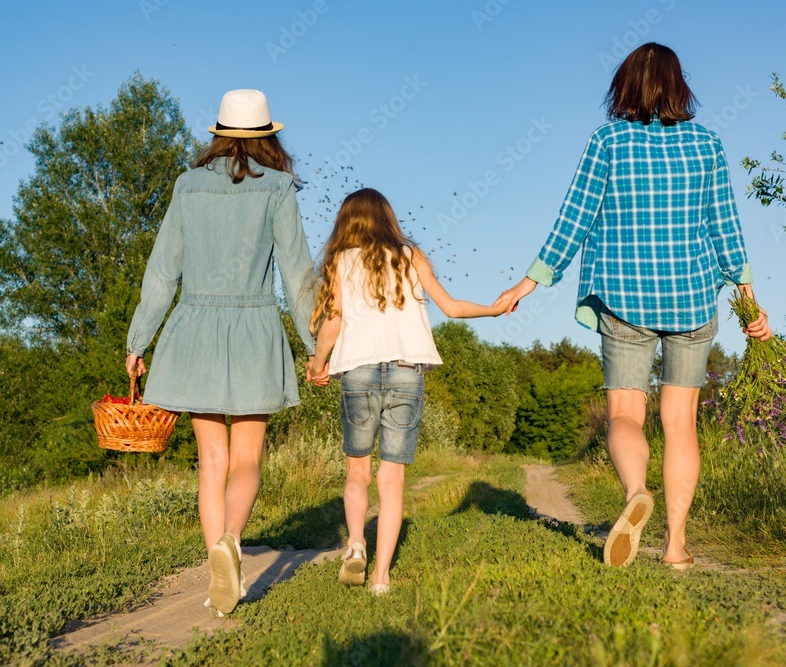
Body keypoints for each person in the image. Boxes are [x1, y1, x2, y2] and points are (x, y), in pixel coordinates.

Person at [500, 43, 771, 570]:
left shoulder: (607, 141)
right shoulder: (707, 144)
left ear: (624, 86)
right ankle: (675, 545)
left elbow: (574, 218)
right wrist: (749, 301)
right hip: (693, 297)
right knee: (680, 422)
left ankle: (635, 493)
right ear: (679, 86)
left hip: (624, 295)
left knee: (625, 413)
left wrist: (528, 283)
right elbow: (726, 227)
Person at [125, 89, 317, 615]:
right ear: (268, 137)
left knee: (212, 461)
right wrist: (315, 346)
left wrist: (138, 341)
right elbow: (298, 274)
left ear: (217, 135)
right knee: (247, 458)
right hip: (254, 327)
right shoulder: (277, 187)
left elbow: (162, 272)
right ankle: (231, 541)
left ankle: (218, 567)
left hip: (195, 330)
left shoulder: (187, 186)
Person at [307, 188, 508, 595]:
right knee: (392, 478)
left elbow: (332, 323)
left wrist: (317, 363)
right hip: (406, 373)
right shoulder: (410, 256)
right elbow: (451, 308)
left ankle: (356, 543)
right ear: (387, 217)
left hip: (359, 372)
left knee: (357, 471)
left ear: (346, 222)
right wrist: (494, 309)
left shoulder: (340, 261)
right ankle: (381, 576)